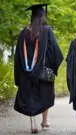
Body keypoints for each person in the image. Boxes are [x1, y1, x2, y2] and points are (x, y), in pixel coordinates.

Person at [14, 3, 63, 134]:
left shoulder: (23, 33)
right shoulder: (47, 30)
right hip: (43, 72)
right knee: (45, 95)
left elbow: (17, 56)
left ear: (32, 17)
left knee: (30, 96)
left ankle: (33, 123)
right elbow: (55, 51)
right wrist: (54, 67)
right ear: (43, 17)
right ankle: (44, 121)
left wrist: (18, 75)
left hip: (26, 73)